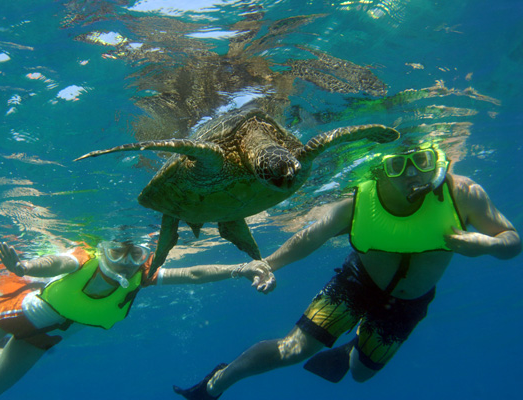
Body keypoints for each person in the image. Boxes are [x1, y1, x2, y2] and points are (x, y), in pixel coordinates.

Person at [174, 142, 521, 399]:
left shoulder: (463, 194)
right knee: (294, 349)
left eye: (421, 160)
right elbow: (310, 236)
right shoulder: (360, 200)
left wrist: (489, 245)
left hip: (409, 303)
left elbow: (512, 239)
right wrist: (267, 264)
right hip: (356, 283)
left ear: (436, 159)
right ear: (383, 168)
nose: (412, 172)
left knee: (360, 375)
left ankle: (351, 348)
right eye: (398, 165)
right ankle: (218, 382)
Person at [0, 238, 273, 400]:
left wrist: (241, 269)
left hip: (44, 338)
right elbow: (52, 262)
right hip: (8, 317)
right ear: (103, 251)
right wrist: (23, 264)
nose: (122, 263)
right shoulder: (81, 261)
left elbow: (191, 274)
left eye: (133, 255)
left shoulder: (140, 277)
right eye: (116, 254)